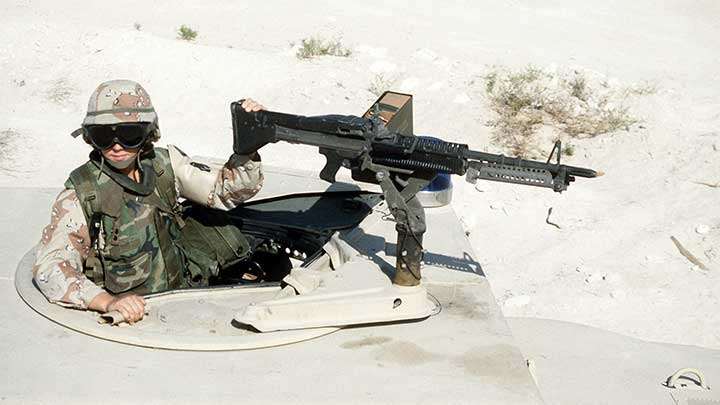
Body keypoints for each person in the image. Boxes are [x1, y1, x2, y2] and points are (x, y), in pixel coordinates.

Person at [32, 79, 265, 324]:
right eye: (103, 136)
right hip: (136, 321)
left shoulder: (165, 166)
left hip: (182, 301)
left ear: (147, 133)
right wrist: (107, 302)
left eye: (129, 134)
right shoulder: (83, 193)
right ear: (90, 138)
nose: (116, 146)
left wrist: (247, 147)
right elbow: (51, 267)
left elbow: (227, 190)